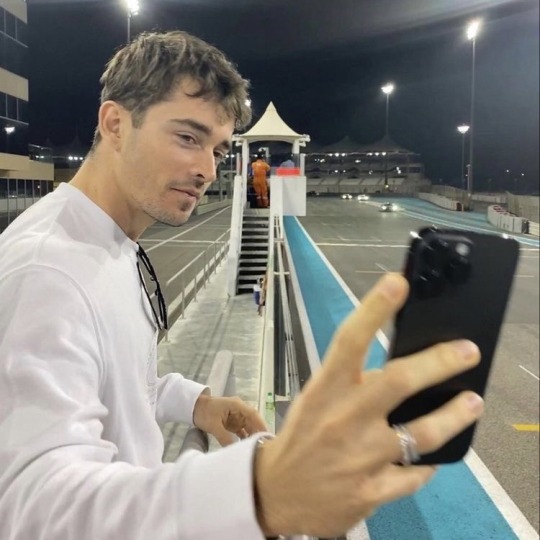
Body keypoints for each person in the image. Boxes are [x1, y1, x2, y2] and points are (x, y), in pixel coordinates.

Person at [0, 31, 484, 539]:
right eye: (187, 138)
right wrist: (259, 494)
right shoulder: (47, 271)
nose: (207, 169)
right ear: (115, 124)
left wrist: (195, 403)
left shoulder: (110, 242)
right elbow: (33, 508)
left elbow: (109, 379)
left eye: (218, 149)